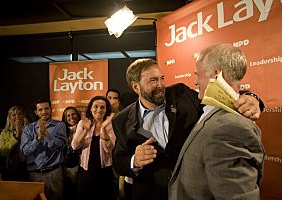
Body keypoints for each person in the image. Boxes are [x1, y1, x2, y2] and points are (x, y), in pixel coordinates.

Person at [111, 58, 264, 200]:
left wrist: (251, 97)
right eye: (153, 80)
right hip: (151, 194)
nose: (161, 85)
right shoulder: (121, 120)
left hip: (191, 192)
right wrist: (134, 160)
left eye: (161, 78)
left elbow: (218, 98)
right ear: (136, 87)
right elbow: (118, 161)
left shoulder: (182, 94)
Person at [168, 43, 265, 199]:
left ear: (215, 74)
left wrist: (253, 99)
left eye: (197, 74)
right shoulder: (206, 109)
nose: (195, 82)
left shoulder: (231, 128)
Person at [20, 98, 67, 200]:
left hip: (54, 173)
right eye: (40, 110)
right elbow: (25, 151)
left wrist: (45, 132)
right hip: (35, 174)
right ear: (36, 112)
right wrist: (38, 139)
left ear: (51, 109)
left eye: (46, 108)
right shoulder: (28, 129)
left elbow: (61, 145)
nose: (44, 112)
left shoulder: (60, 125)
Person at [71, 96, 116, 200]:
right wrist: (86, 130)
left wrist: (104, 128)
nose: (99, 110)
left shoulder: (110, 125)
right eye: (96, 106)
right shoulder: (82, 123)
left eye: (102, 107)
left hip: (105, 171)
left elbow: (108, 149)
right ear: (90, 109)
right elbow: (75, 145)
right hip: (86, 171)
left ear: (106, 110)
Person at [0, 106, 28, 181]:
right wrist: (16, 136)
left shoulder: (30, 130)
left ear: (24, 116)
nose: (17, 117)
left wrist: (26, 129)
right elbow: (2, 151)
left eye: (20, 114)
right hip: (11, 170)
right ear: (9, 118)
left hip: (29, 168)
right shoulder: (5, 132)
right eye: (14, 115)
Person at [61, 106, 81, 200]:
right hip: (66, 166)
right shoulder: (61, 130)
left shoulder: (84, 128)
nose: (71, 117)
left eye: (73, 114)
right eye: (68, 115)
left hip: (81, 166)